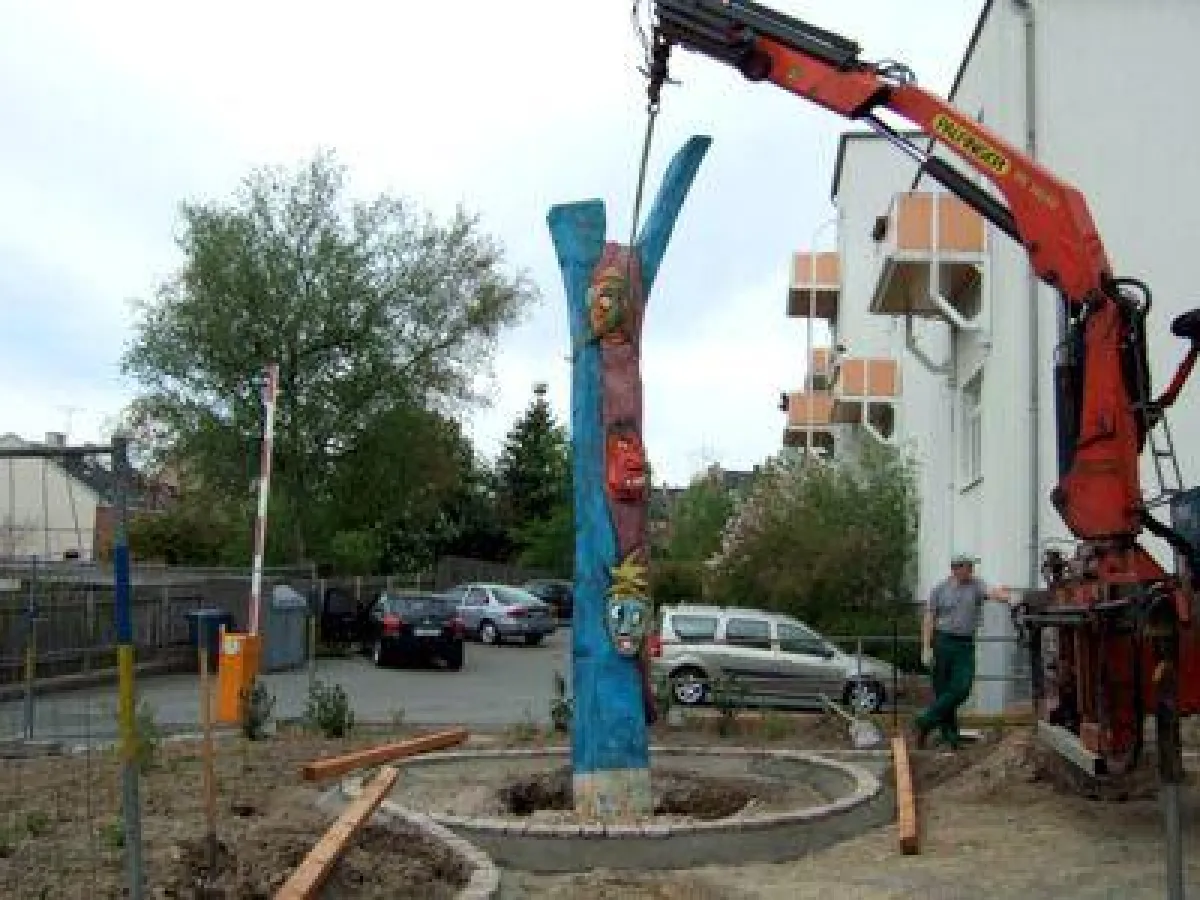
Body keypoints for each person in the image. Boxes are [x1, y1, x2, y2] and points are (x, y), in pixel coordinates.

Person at [911, 551, 1015, 750]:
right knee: (943, 691)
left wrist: (1007, 597)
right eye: (968, 566)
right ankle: (949, 738)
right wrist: (926, 647)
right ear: (956, 568)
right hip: (942, 642)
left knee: (961, 688)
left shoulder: (976, 585)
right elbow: (929, 619)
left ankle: (924, 720)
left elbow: (992, 593)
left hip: (965, 645)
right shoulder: (939, 590)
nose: (972, 570)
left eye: (972, 566)